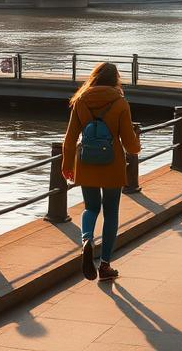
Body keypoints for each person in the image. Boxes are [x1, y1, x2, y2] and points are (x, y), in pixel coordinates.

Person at [62, 62, 140, 281]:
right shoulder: (120, 103)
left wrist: (67, 166)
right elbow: (129, 143)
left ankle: (87, 239)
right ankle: (105, 265)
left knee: (91, 207)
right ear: (115, 80)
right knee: (111, 212)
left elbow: (69, 139)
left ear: (94, 78)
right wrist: (137, 146)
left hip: (86, 162)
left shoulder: (80, 100)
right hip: (112, 163)